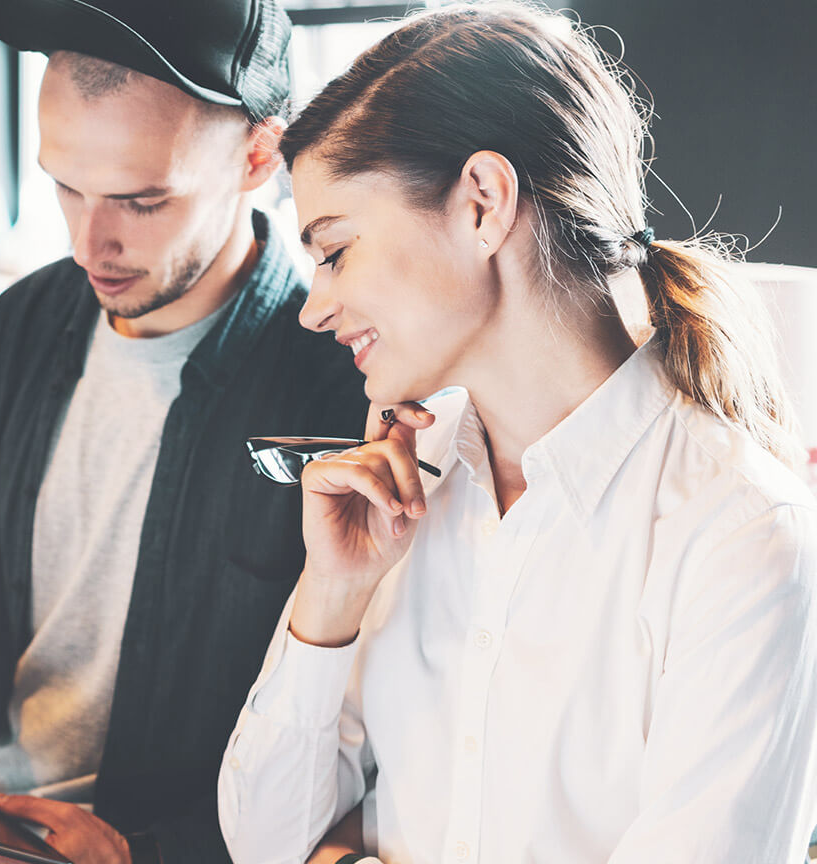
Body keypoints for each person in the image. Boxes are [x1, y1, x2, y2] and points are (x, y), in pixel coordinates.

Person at [216, 5, 817, 862]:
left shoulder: (741, 536)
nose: (314, 307)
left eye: (336, 249)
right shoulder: (405, 479)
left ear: (484, 204)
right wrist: (334, 595)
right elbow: (265, 844)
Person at [0, 1, 369, 862]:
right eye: (63, 187)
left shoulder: (342, 381)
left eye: (141, 200)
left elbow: (351, 730)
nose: (88, 242)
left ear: (259, 155)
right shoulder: (24, 320)